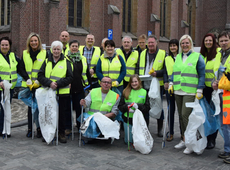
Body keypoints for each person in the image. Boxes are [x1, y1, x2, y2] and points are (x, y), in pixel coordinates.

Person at [168, 34, 205, 154]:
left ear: (191, 44)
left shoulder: (197, 57)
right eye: (182, 43)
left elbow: (202, 74)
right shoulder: (178, 56)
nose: (184, 45)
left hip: (190, 91)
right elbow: (175, 72)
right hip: (178, 90)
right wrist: (171, 82)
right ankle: (184, 139)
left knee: (186, 115)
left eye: (187, 43)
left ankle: (190, 141)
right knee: (180, 115)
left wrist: (200, 89)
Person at [38, 40, 73, 143]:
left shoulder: (66, 62)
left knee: (61, 114)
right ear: (51, 50)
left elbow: (70, 77)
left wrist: (57, 84)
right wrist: (49, 83)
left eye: (58, 49)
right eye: (54, 49)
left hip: (62, 93)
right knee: (49, 114)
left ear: (61, 50)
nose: (56, 51)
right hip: (48, 92)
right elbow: (40, 75)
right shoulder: (46, 61)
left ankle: (61, 133)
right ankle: (49, 133)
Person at [139, 34, 167, 137]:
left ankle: (160, 129)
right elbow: (139, 67)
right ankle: (146, 127)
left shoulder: (163, 54)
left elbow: (166, 70)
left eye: (152, 42)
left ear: (156, 43)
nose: (150, 44)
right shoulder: (142, 53)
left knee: (158, 105)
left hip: (157, 85)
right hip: (144, 83)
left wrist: (157, 73)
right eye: (149, 42)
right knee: (145, 105)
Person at [20, 33, 47, 138]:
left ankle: (39, 129)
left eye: (35, 41)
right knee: (30, 108)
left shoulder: (45, 53)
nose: (34, 43)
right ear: (29, 42)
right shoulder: (25, 53)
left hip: (39, 85)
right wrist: (27, 79)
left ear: (39, 42)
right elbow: (21, 68)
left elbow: (46, 69)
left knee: (40, 108)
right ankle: (30, 129)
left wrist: (39, 81)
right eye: (32, 41)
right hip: (28, 85)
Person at [65, 40, 92, 134]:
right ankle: (68, 127)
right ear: (69, 47)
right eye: (73, 46)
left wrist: (90, 85)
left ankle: (80, 125)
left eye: (76, 46)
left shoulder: (83, 59)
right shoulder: (65, 58)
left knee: (80, 108)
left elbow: (87, 72)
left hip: (80, 87)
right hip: (68, 87)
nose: (74, 48)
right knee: (67, 108)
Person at [213, 31, 230, 164]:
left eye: (226, 40)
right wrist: (216, 82)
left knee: (228, 124)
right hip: (220, 93)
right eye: (222, 41)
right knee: (223, 124)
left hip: (228, 94)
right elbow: (218, 73)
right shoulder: (220, 55)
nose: (223, 43)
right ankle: (227, 149)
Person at [200, 33, 219, 149]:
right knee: (205, 114)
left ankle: (212, 139)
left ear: (214, 42)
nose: (208, 42)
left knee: (213, 114)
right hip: (204, 89)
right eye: (206, 40)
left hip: (214, 89)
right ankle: (207, 137)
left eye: (210, 41)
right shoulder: (201, 55)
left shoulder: (217, 54)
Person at [118, 74, 150, 143]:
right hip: (128, 118)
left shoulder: (144, 92)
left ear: (139, 81)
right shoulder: (125, 91)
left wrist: (139, 107)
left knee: (138, 141)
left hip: (139, 119)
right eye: (132, 82)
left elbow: (147, 108)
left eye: (135, 81)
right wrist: (127, 108)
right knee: (128, 141)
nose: (134, 83)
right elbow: (120, 106)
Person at [0, 37, 21, 137]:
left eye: (6, 45)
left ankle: (6, 129)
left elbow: (21, 67)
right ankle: (1, 130)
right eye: (3, 45)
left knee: (7, 109)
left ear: (9, 46)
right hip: (1, 88)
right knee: (1, 109)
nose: (4, 46)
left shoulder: (13, 56)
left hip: (10, 88)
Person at [164, 39, 179, 141]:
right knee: (171, 110)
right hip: (169, 86)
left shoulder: (182, 57)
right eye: (171, 46)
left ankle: (183, 133)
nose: (173, 47)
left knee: (182, 112)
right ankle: (171, 132)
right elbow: (165, 71)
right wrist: (165, 81)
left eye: (174, 45)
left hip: (179, 86)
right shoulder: (167, 58)